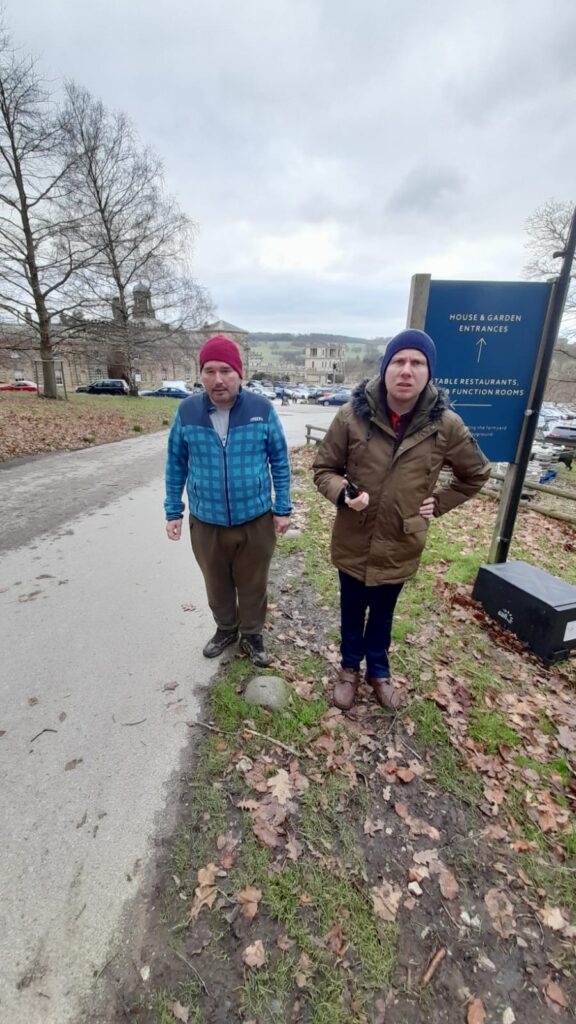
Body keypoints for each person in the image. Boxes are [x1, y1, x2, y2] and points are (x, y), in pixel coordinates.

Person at [313, 328, 491, 711]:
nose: (406, 370)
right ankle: (348, 669)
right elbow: (324, 468)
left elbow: (475, 474)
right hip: (353, 537)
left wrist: (439, 503)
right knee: (350, 607)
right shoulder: (351, 416)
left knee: (382, 612)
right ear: (385, 368)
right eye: (399, 361)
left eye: (417, 362)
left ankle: (378, 670)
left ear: (429, 372)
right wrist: (342, 493)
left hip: (400, 540)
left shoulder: (447, 426)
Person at [165, 334, 292, 667]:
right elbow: (176, 462)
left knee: (253, 582)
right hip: (206, 521)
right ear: (201, 373)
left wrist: (283, 508)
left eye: (226, 370)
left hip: (255, 519)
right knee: (216, 583)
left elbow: (279, 459)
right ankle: (226, 629)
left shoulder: (261, 410)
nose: (218, 379)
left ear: (239, 373)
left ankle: (252, 635)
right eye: (209, 370)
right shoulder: (188, 411)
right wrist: (173, 510)